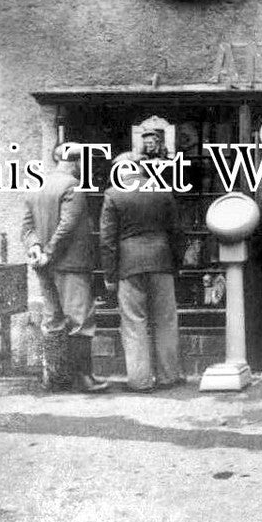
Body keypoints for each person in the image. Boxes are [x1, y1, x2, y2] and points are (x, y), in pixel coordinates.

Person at [22, 142, 109, 393]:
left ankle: (56, 379)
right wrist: (49, 251)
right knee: (80, 320)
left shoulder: (37, 185)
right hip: (70, 264)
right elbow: (67, 225)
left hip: (44, 266)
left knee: (53, 320)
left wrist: (36, 248)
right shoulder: (73, 186)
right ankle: (84, 379)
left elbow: (27, 228)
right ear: (77, 163)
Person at [100, 152, 186, 392]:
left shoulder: (113, 194)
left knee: (133, 322)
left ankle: (140, 380)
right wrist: (176, 264)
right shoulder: (162, 190)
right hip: (161, 261)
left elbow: (107, 241)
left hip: (129, 265)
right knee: (166, 320)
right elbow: (177, 232)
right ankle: (169, 376)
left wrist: (109, 275)